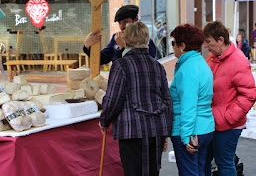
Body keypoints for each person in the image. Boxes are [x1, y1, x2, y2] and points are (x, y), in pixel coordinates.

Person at [99, 21, 173, 176]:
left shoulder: (121, 65)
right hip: (155, 129)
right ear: (147, 40)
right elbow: (167, 101)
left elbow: (113, 99)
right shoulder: (157, 66)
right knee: (152, 173)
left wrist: (104, 120)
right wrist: (165, 132)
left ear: (126, 41)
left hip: (131, 130)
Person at [203, 20, 256, 176]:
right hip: (211, 121)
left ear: (221, 40)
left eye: (209, 42)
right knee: (206, 161)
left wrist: (227, 117)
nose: (206, 46)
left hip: (228, 125)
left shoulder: (238, 61)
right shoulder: (212, 57)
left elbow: (249, 94)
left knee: (224, 163)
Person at [169, 24, 215, 175]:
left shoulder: (188, 68)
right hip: (204, 128)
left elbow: (188, 105)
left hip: (191, 131)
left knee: (189, 172)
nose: (173, 47)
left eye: (173, 43)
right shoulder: (201, 63)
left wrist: (186, 136)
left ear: (182, 45)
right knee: (200, 170)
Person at [83, 5, 156, 65]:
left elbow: (141, 67)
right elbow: (102, 59)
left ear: (136, 20)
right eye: (119, 23)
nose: (122, 27)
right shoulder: (116, 38)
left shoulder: (146, 42)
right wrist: (87, 46)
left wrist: (123, 48)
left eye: (125, 22)